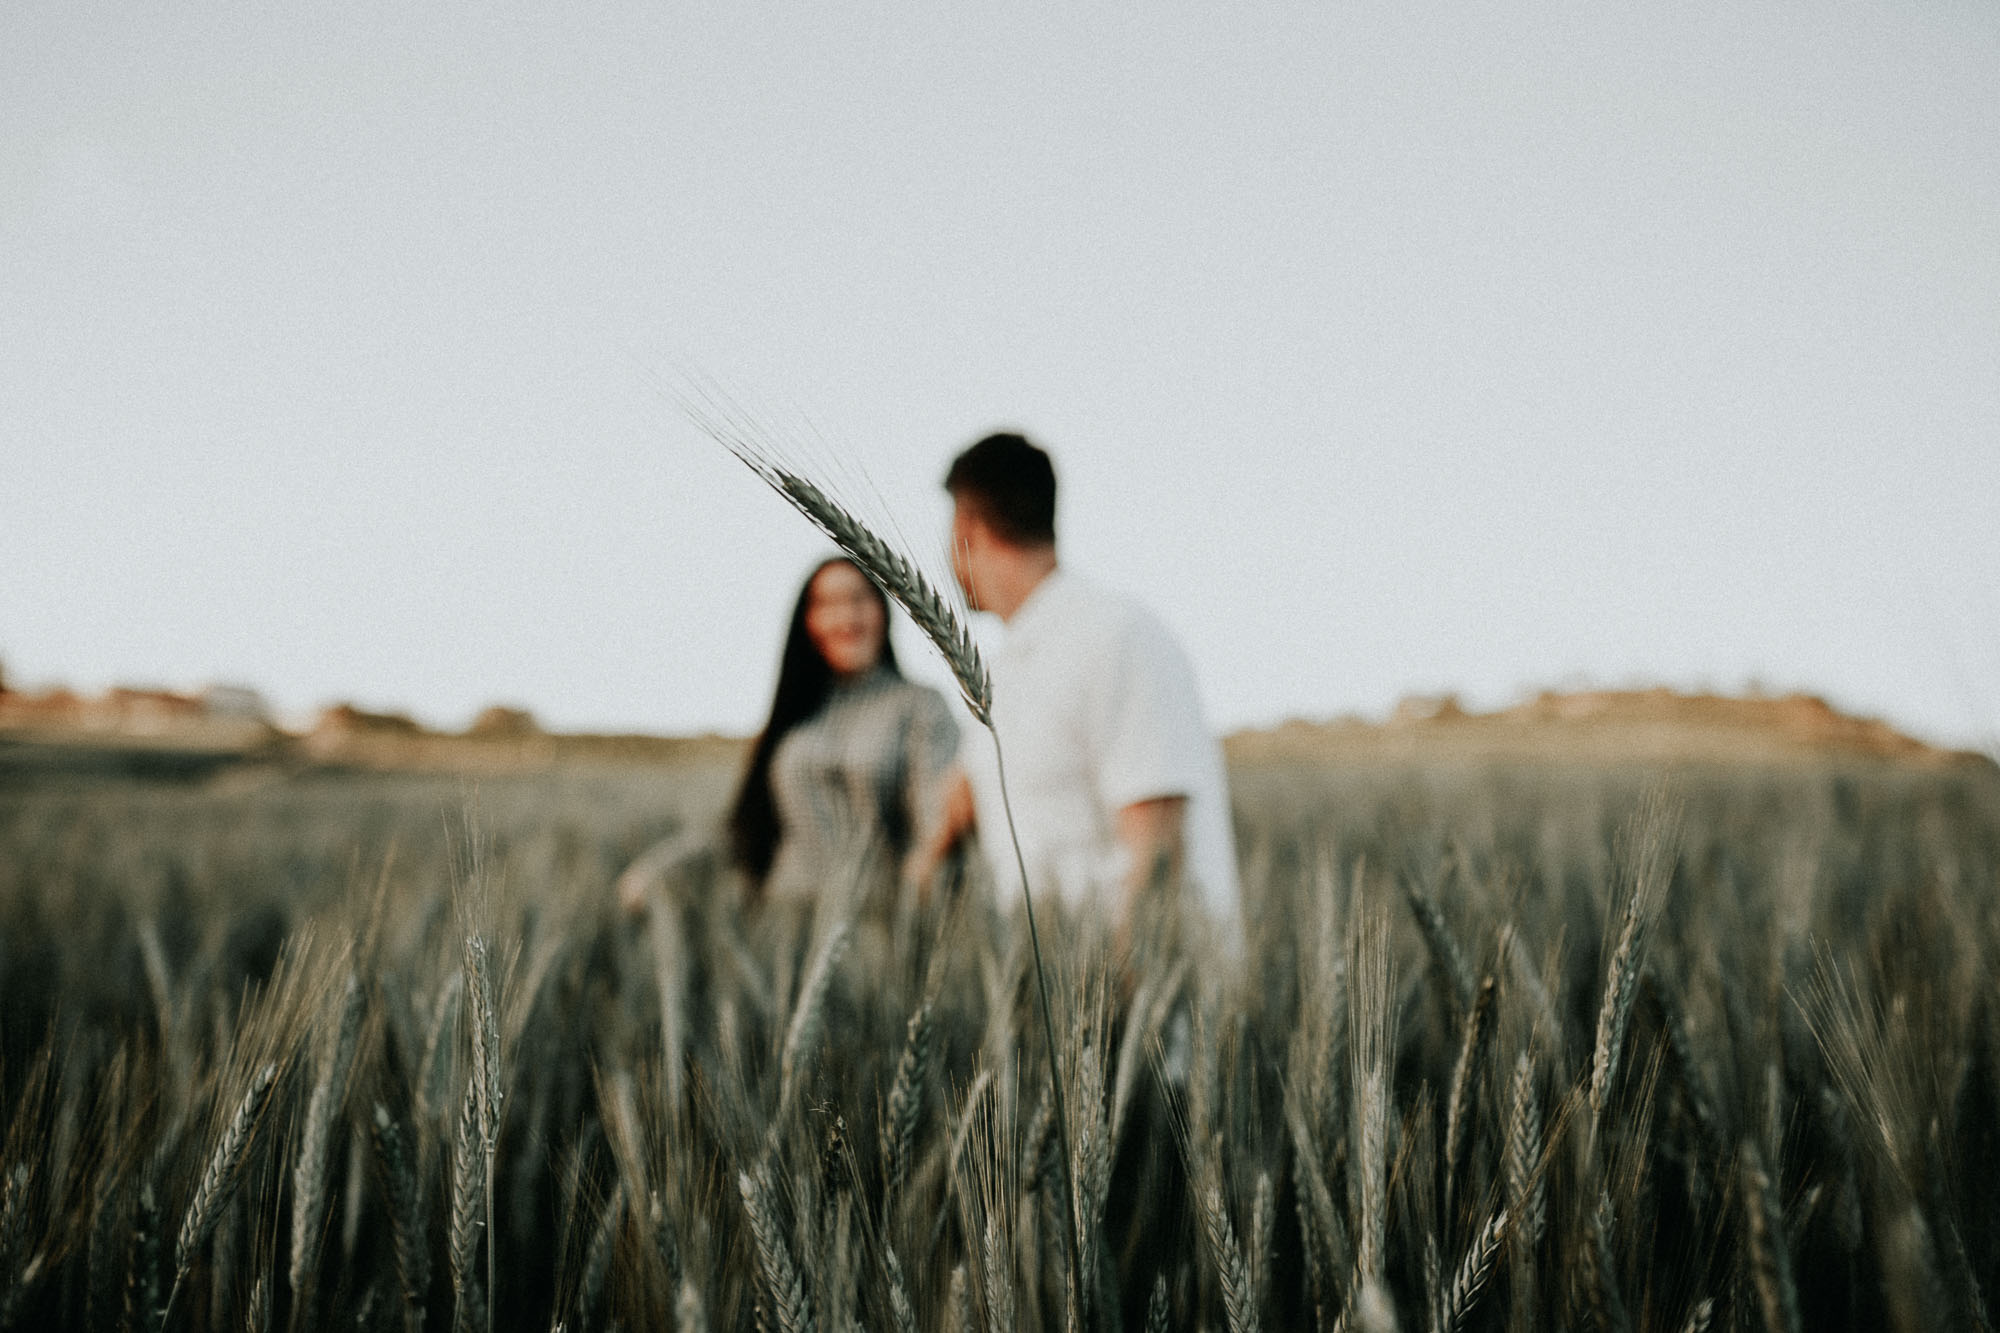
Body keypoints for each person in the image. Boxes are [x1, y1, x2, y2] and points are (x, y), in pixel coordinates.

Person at [917, 432, 1241, 949]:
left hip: (1137, 1016)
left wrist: (1117, 1016)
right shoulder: (1002, 670)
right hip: (1050, 1005)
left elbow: (1154, 852)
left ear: (967, 527)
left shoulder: (1115, 636)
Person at [617, 556, 959, 915]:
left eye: (859, 599)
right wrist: (656, 869)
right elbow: (746, 829)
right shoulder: (795, 713)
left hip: (874, 931)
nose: (846, 616)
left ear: (883, 611)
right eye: (827, 604)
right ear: (808, 622)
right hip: (779, 928)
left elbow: (937, 827)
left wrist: (914, 914)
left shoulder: (921, 706)